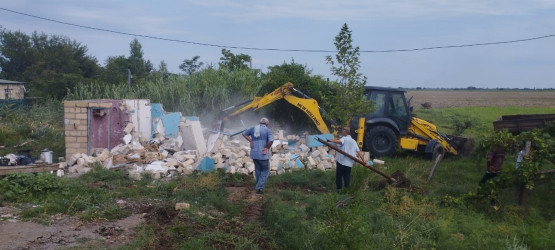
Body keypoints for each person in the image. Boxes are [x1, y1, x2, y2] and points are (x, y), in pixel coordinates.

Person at [242, 117, 274, 194]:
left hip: (254, 154)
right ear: (267, 124)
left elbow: (243, 133)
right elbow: (271, 140)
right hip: (263, 154)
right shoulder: (267, 130)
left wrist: (250, 140)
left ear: (260, 123)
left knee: (258, 170)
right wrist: (267, 147)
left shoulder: (253, 128)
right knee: (265, 170)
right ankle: (259, 187)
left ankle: (259, 187)